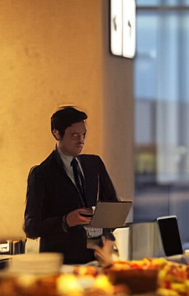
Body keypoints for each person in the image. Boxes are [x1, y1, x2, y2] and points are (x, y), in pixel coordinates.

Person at [23, 106, 120, 265]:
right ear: (56, 134)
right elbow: (31, 227)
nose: (81, 140)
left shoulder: (93, 164)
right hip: (60, 263)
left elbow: (112, 204)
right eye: (74, 135)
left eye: (83, 135)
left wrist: (108, 234)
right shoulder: (41, 174)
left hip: (94, 259)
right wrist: (65, 221)